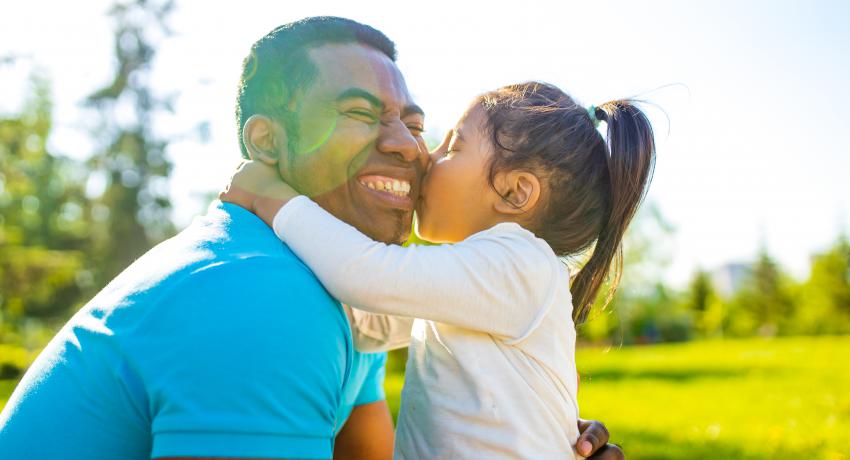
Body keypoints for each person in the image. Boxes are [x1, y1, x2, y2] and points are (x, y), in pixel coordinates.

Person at [0, 17, 621, 459]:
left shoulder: (487, 267)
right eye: (358, 113)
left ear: (516, 194)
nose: (414, 150)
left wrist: (543, 430)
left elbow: (370, 294)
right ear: (265, 143)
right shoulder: (258, 297)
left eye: (424, 129)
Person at [223, 81, 654, 458]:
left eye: (453, 146)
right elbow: (366, 326)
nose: (427, 157)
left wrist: (272, 198)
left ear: (514, 191)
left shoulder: (521, 264)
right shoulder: (475, 285)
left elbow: (367, 277)